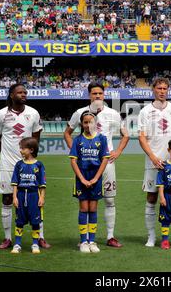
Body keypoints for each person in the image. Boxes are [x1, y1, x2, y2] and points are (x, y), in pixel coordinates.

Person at [64, 82, 129, 248]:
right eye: (94, 94)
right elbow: (67, 133)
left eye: (100, 93)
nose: (97, 96)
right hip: (86, 165)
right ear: (89, 95)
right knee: (85, 201)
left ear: (104, 95)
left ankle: (110, 236)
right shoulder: (80, 113)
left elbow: (125, 135)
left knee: (109, 199)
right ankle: (84, 238)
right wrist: (76, 151)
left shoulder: (113, 114)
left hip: (107, 164)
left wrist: (118, 151)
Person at [0, 83, 49, 249]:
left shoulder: (33, 113)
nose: (23, 94)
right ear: (11, 95)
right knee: (7, 199)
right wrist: (5, 154)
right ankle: (8, 238)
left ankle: (40, 237)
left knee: (36, 199)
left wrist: (30, 157)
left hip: (29, 165)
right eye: (20, 92)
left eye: (25, 92)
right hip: (8, 164)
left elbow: (36, 137)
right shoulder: (1, 114)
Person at [138, 77, 171, 248]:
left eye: (165, 88)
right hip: (154, 162)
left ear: (168, 90)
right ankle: (151, 236)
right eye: (159, 88)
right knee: (152, 198)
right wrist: (152, 156)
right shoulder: (145, 111)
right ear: (153, 89)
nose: (162, 91)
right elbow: (142, 137)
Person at [69, 111, 110, 253]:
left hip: (95, 178)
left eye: (90, 122)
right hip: (82, 177)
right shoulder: (77, 140)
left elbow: (105, 159)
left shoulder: (102, 139)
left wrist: (96, 178)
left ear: (95, 123)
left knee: (93, 209)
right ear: (82, 124)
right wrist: (81, 178)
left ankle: (92, 240)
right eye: (85, 122)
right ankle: (83, 241)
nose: (88, 125)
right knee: (83, 209)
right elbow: (73, 161)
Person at [10, 137, 46, 254]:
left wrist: (42, 197)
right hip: (20, 195)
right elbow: (15, 182)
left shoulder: (39, 165)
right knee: (19, 221)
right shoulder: (19, 164)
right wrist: (14, 197)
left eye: (22, 148)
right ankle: (17, 244)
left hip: (34, 196)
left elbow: (42, 184)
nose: (20, 150)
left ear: (31, 150)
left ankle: (35, 244)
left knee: (35, 222)